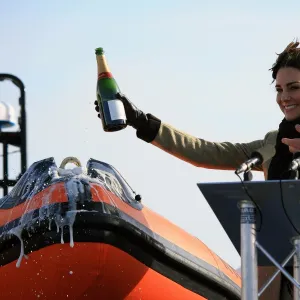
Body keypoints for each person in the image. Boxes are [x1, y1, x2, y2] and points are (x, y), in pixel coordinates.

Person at [94, 40, 300, 299]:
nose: (284, 98)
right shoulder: (272, 143)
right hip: (275, 279)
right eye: (280, 89)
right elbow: (205, 151)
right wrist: (141, 121)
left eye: (294, 88)